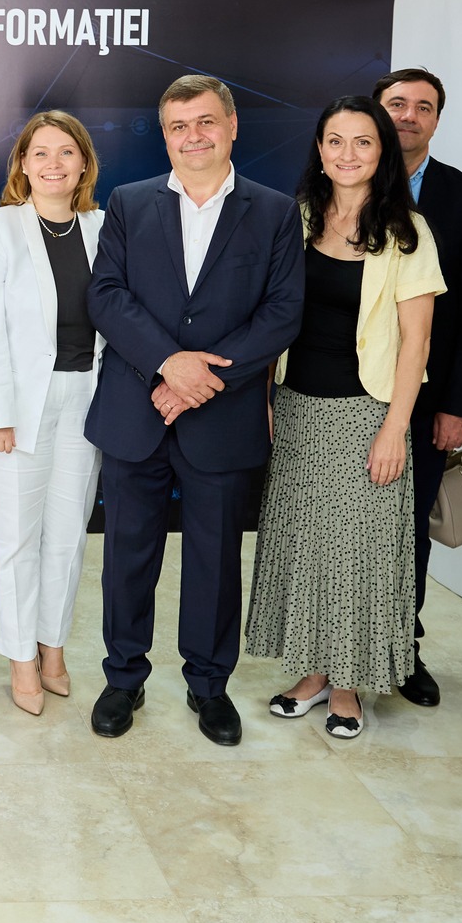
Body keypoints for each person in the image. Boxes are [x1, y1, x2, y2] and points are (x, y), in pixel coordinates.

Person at [86, 74, 304, 747]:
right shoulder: (129, 202)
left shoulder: (274, 211)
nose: (193, 136)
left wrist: (198, 380)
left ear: (232, 126)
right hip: (137, 409)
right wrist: (167, 364)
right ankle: (124, 676)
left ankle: (209, 685)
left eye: (206, 121)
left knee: (214, 559)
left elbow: (281, 313)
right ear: (165, 136)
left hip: (221, 415)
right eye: (179, 126)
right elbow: (107, 295)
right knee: (127, 555)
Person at [248, 96, 444, 739]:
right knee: (303, 545)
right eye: (335, 140)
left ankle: (348, 685)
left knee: (357, 554)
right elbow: (271, 315)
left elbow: (417, 342)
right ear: (319, 149)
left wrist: (395, 429)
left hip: (367, 414)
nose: (348, 153)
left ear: (382, 151)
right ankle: (310, 673)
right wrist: (266, 399)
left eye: (363, 141)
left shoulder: (409, 231)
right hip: (296, 407)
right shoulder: (297, 217)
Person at [0, 111, 105, 716]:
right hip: (15, 407)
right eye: (40, 152)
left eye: (66, 152)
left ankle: (53, 649)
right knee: (15, 538)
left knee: (67, 536)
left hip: (87, 400)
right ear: (21, 163)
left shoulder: (103, 227)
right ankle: (21, 660)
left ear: (83, 163)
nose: (53, 164)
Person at [375, 69, 462, 707]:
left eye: (423, 107)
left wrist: (460, 405)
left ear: (437, 120)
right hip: (340, 393)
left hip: (428, 399)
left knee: (407, 529)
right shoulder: (337, 183)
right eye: (397, 103)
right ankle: (336, 649)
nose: (409, 115)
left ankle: (403, 648)